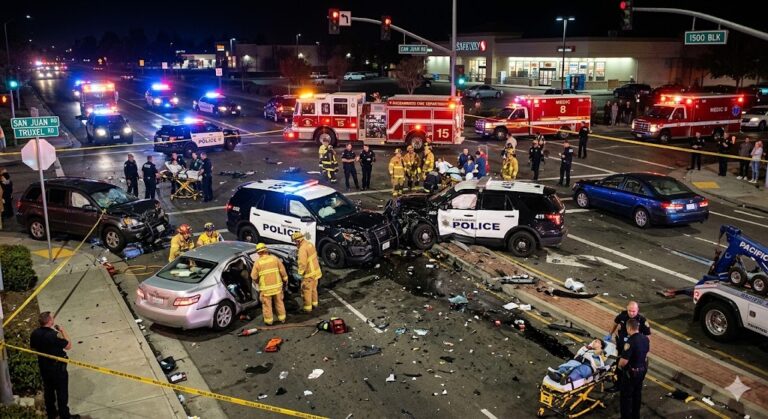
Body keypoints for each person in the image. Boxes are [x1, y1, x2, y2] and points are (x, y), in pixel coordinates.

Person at [30, 311, 80, 419]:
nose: (54, 319)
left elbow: (33, 347)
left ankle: (51, 413)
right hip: (58, 369)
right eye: (53, 318)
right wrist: (62, 330)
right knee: (62, 393)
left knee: (49, 391)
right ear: (49, 321)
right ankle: (64, 415)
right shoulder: (53, 335)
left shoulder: (35, 333)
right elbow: (68, 345)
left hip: (44, 367)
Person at [618, 318, 650, 419]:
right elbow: (646, 354)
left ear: (629, 328)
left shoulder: (630, 342)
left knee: (626, 397)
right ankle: (636, 416)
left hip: (631, 373)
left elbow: (624, 362)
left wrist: (619, 365)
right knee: (637, 394)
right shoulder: (645, 339)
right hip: (642, 371)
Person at [250, 243, 288, 325]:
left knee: (267, 305)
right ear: (266, 250)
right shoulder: (274, 259)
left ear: (258, 253)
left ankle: (269, 321)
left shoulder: (257, 263)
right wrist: (285, 280)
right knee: (279, 302)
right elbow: (283, 271)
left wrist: (257, 282)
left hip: (266, 289)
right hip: (277, 287)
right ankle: (282, 319)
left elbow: (253, 276)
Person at [292, 231, 322, 312]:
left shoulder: (302, 249)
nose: (295, 244)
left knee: (307, 292)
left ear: (298, 240)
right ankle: (315, 304)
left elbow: (302, 264)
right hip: (316, 272)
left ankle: (307, 308)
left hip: (309, 275)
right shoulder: (310, 244)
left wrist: (299, 274)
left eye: (295, 242)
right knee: (313, 289)